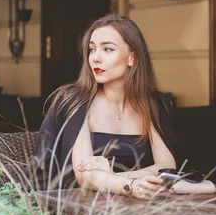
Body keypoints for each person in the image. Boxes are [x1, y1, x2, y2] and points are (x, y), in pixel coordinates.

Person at [30, 15, 186, 199]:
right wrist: (130, 185)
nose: (96, 58)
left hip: (138, 207)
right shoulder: (75, 101)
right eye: (92, 49)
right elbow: (85, 176)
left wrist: (112, 177)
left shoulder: (152, 103)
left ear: (132, 58)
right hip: (77, 209)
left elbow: (167, 167)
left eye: (108, 49)